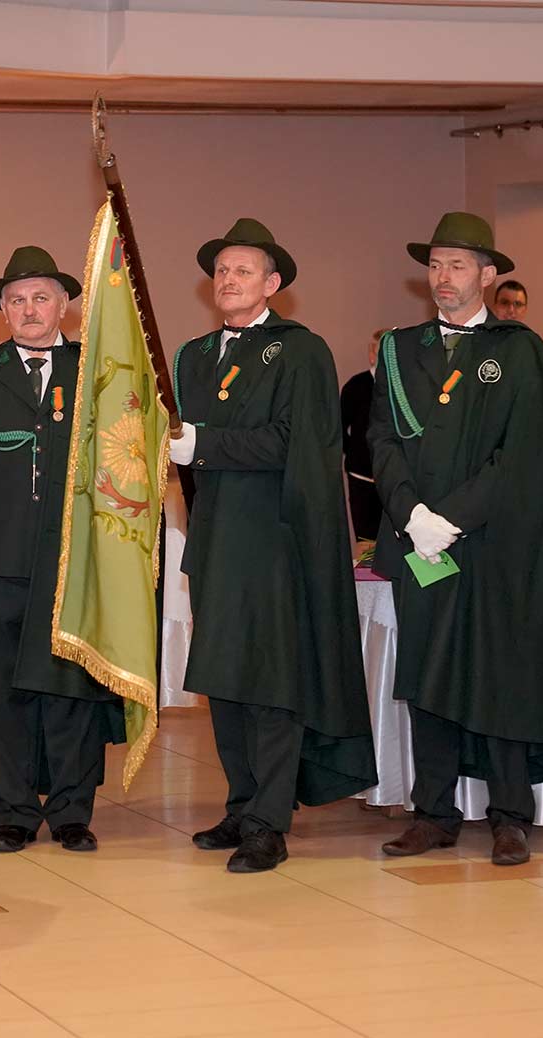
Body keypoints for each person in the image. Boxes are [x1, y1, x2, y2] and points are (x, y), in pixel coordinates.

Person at [371, 212, 543, 866]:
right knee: (427, 673)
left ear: (488, 274)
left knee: (501, 671)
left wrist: (450, 517)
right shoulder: (400, 349)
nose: (442, 277)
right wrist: (413, 515)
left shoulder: (519, 350)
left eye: (457, 265)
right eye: (435, 265)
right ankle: (433, 814)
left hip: (496, 542)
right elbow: (382, 440)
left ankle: (510, 816)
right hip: (421, 543)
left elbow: (523, 453)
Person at [168, 218, 376, 873]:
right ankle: (241, 803)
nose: (228, 280)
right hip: (215, 538)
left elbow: (296, 441)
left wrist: (204, 444)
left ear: (272, 283)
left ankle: (269, 822)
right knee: (224, 681)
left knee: (271, 683)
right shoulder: (194, 356)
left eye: (243, 270)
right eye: (221, 270)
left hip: (275, 540)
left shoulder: (300, 352)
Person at [0, 247, 123, 854]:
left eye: (41, 297)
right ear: (3, 311)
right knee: (6, 690)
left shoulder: (96, 368)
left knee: (71, 688)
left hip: (75, 557)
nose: (29, 309)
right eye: (16, 300)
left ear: (64, 305)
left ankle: (71, 811)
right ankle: (13, 811)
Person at [339, 329, 388, 541]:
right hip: (362, 478)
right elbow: (339, 428)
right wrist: (356, 454)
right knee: (366, 542)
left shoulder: (406, 388)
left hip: (395, 480)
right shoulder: (356, 386)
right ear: (372, 353)